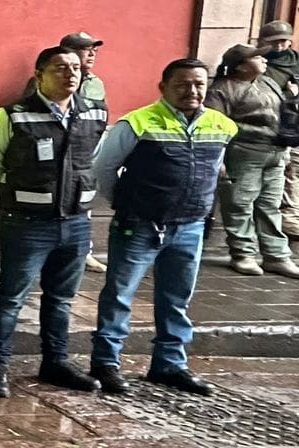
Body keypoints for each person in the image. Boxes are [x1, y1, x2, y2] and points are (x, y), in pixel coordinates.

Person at [87, 59, 238, 396]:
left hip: (190, 226)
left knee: (177, 298)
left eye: (199, 84)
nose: (191, 91)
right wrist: (126, 202)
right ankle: (106, 363)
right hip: (139, 226)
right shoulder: (137, 123)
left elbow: (216, 171)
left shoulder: (222, 125)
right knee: (119, 295)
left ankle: (169, 365)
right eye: (182, 84)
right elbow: (103, 169)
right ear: (163, 87)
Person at [0, 45, 108, 397]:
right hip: (26, 224)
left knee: (61, 299)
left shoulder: (94, 113)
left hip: (75, 223)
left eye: (75, 67)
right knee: (11, 298)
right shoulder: (14, 115)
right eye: (60, 67)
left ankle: (56, 362)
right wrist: (18, 196)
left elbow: (93, 162)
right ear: (39, 76)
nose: (70, 73)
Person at [206, 45, 299, 277]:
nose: (264, 60)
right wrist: (219, 160)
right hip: (243, 153)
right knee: (239, 204)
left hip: (275, 153)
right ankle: (243, 253)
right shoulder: (222, 89)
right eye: (257, 57)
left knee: (270, 206)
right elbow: (214, 127)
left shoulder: (268, 83)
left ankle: (276, 255)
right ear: (240, 66)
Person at [25, 32, 110, 272]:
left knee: (81, 207)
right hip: (48, 156)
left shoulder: (95, 83)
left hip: (81, 152)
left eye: (94, 50)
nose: (91, 54)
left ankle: (85, 253)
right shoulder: (42, 80)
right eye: (85, 49)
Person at [255, 20, 299, 240]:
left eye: (283, 41)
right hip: (266, 125)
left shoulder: (296, 61)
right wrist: (287, 94)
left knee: (293, 171)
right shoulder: (256, 62)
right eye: (274, 42)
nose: (279, 46)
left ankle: (290, 217)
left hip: (293, 124)